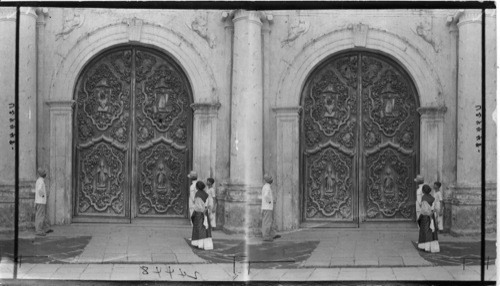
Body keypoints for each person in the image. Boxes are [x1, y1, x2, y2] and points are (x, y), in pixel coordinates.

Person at [190, 181, 213, 250]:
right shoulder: (206, 194)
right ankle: (206, 244)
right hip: (205, 212)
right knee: (206, 228)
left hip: (199, 213)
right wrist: (206, 209)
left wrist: (197, 209)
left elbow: (198, 206)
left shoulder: (197, 195)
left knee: (199, 228)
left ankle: (199, 244)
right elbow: (210, 203)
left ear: (197, 187)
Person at [417, 184, 440, 253]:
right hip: (431, 216)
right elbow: (436, 207)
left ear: (423, 191)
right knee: (432, 231)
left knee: (425, 231)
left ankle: (426, 247)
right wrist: (433, 213)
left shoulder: (424, 198)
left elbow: (424, 210)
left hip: (426, 217)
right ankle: (432, 247)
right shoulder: (432, 197)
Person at [261, 174, 280, 242]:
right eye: (270, 178)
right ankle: (266, 236)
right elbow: (266, 196)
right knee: (267, 222)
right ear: (269, 180)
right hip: (267, 207)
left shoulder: (266, 186)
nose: (272, 179)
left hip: (267, 207)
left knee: (270, 221)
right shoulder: (267, 187)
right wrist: (269, 201)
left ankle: (272, 234)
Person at [34, 168, 52, 236]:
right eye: (44, 172)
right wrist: (44, 195)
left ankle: (45, 228)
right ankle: (39, 231)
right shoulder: (41, 181)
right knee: (40, 216)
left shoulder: (39, 180)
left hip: (40, 201)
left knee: (42, 215)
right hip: (41, 201)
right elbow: (39, 190)